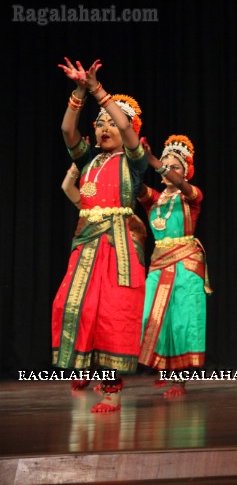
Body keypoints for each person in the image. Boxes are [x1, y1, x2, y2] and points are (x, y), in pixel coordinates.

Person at [54, 58, 148, 412]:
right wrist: (78, 92)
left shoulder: (134, 160)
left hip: (119, 248)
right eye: (99, 123)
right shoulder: (88, 159)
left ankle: (112, 390)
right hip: (88, 245)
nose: (104, 127)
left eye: (110, 123)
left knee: (113, 315)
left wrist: (97, 90)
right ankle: (87, 371)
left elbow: (126, 127)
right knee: (76, 308)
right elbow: (67, 131)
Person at [137, 135, 210, 397]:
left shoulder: (192, 196)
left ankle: (179, 378)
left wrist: (154, 160)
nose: (168, 170)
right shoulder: (154, 199)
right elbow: (135, 186)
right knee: (151, 316)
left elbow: (180, 183)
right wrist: (132, 156)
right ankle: (163, 368)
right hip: (159, 264)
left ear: (186, 172)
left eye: (175, 166)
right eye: (164, 166)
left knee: (180, 321)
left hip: (186, 263)